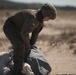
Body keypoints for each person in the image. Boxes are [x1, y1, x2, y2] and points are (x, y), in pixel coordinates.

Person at [3, 3, 57, 75]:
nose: (48, 20)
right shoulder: (32, 18)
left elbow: (35, 36)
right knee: (20, 46)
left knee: (27, 47)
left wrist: (30, 46)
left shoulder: (40, 22)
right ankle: (16, 71)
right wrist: (27, 46)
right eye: (48, 17)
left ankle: (22, 65)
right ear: (45, 14)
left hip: (19, 29)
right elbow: (24, 34)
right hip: (10, 26)